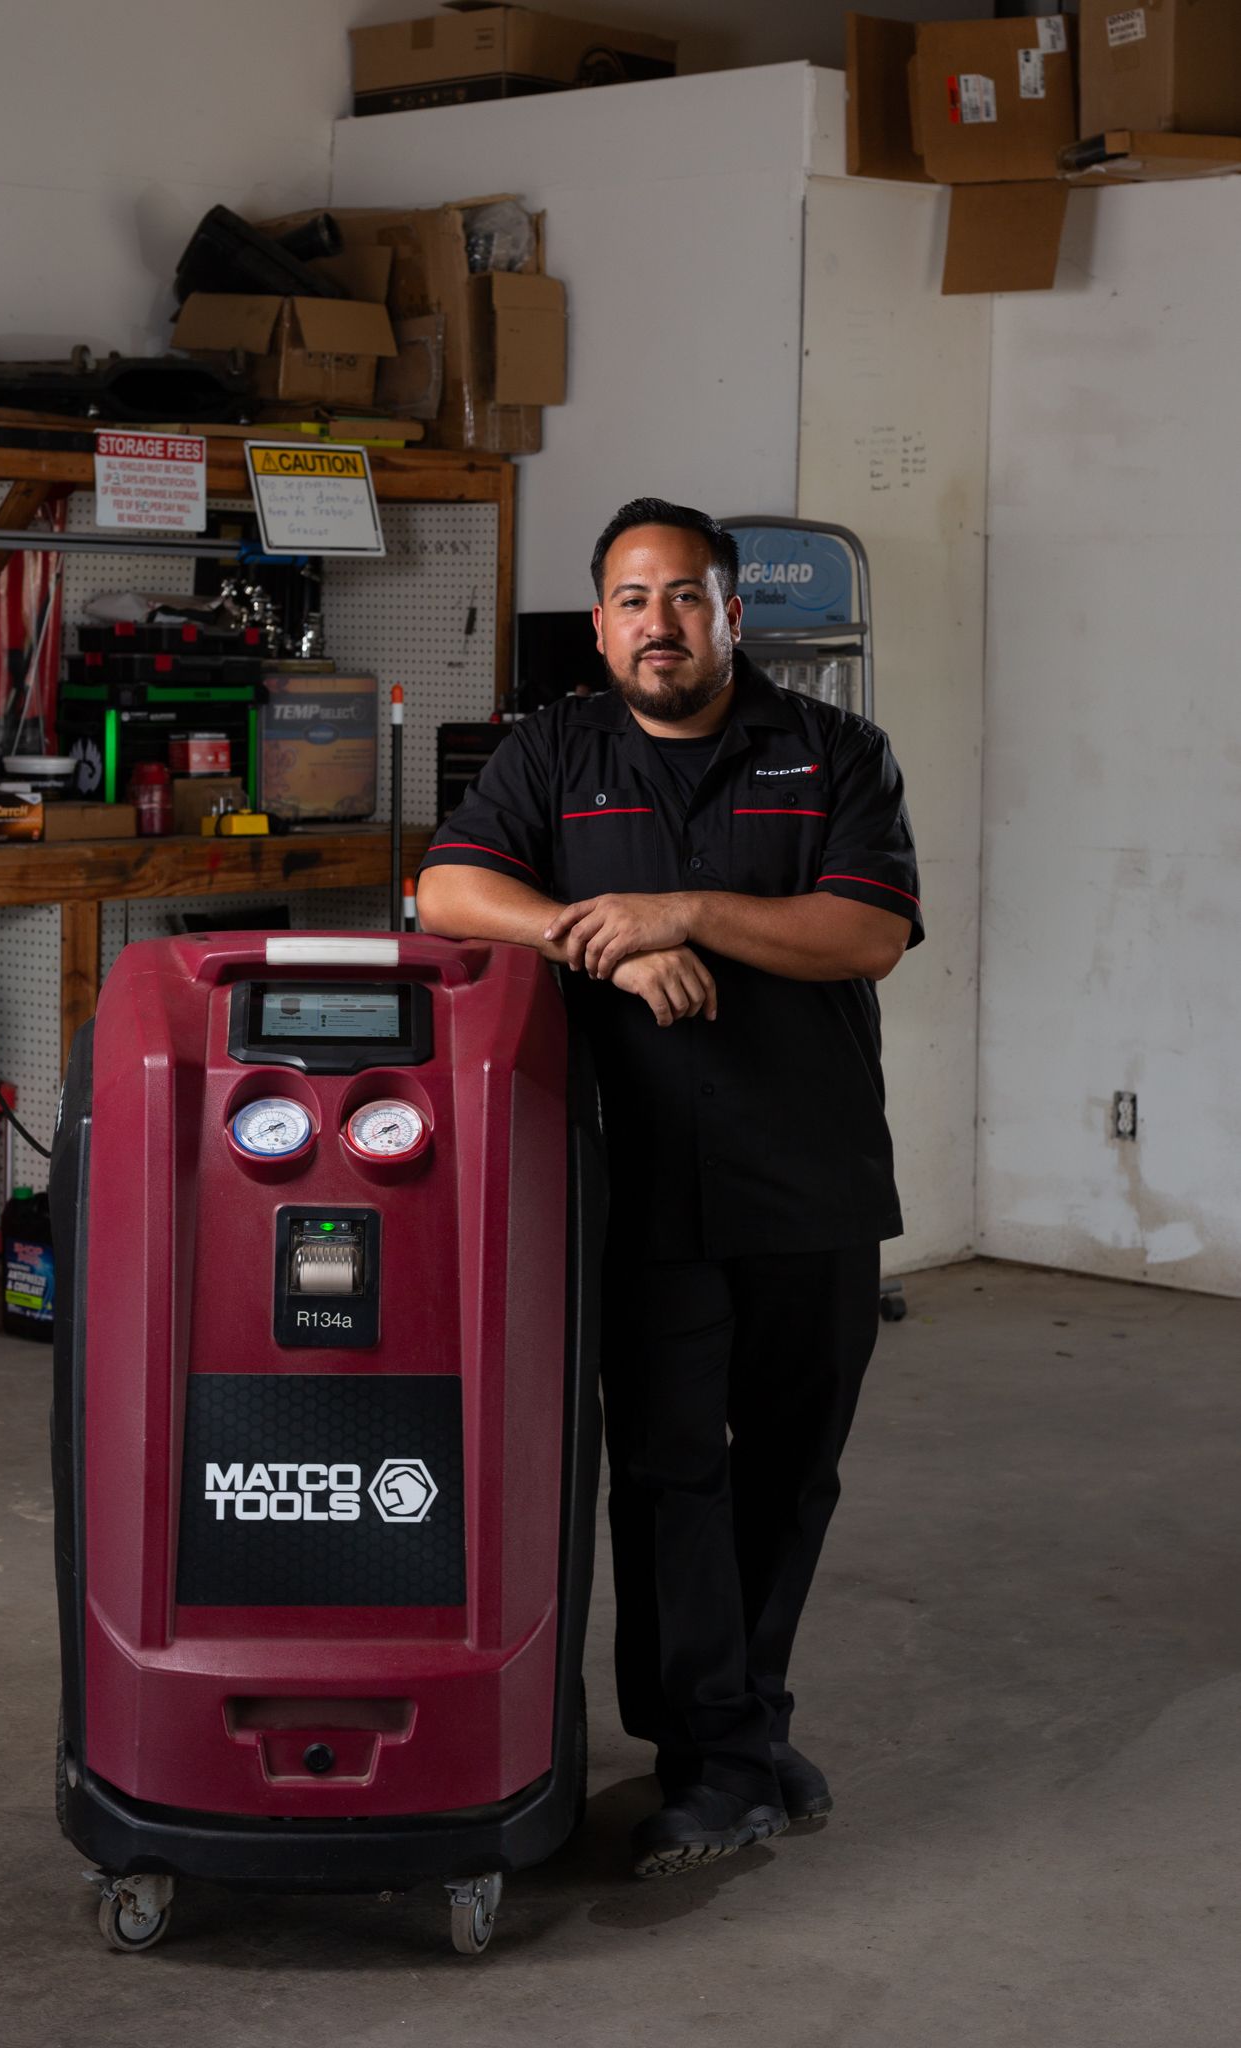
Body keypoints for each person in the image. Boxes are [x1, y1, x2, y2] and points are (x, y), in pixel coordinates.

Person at [416, 498, 922, 1878]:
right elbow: (451, 890)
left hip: (806, 1177)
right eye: (633, 601)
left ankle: (740, 1728)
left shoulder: (829, 752)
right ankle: (709, 1750)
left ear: (730, 611)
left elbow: (865, 932)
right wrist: (604, 945)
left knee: (791, 1475)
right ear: (600, 624)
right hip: (634, 1183)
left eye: (685, 597)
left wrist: (685, 911)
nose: (660, 623)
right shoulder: (555, 752)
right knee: (665, 1474)